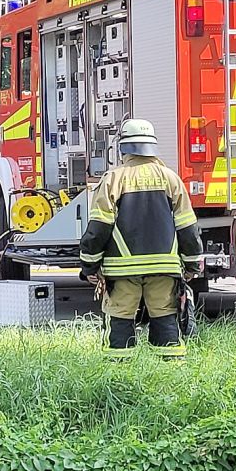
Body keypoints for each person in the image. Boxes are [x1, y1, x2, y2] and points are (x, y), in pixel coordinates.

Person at [78, 119, 202, 359]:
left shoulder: (113, 179)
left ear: (123, 148)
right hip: (164, 269)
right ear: (152, 147)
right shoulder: (171, 179)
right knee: (165, 318)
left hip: (122, 271)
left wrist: (89, 266)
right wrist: (192, 265)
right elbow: (188, 227)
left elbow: (99, 228)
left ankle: (119, 378)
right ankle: (170, 374)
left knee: (120, 318)